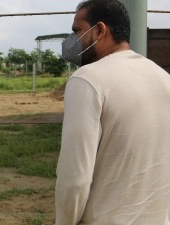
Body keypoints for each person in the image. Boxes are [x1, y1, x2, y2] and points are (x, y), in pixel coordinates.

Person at [56, 0, 170, 224]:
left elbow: (75, 178)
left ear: (99, 30)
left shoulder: (87, 80)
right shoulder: (164, 79)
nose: (71, 41)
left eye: (77, 31)